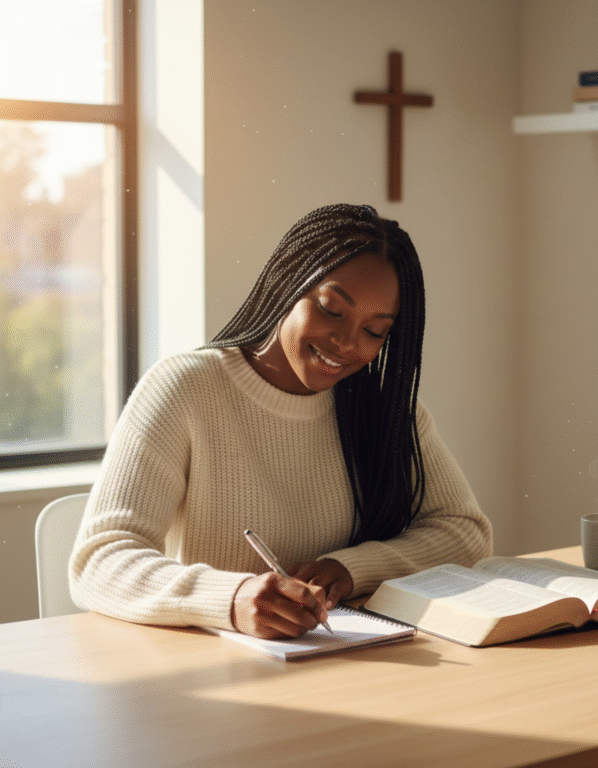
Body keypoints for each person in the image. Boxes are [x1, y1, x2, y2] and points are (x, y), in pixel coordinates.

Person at [69, 203, 492, 639]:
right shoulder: (184, 390)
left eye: (374, 331)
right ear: (286, 280)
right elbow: (99, 561)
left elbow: (465, 532)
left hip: (345, 660)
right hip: (215, 673)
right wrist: (232, 597)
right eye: (331, 309)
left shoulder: (386, 411)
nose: (347, 343)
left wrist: (349, 569)